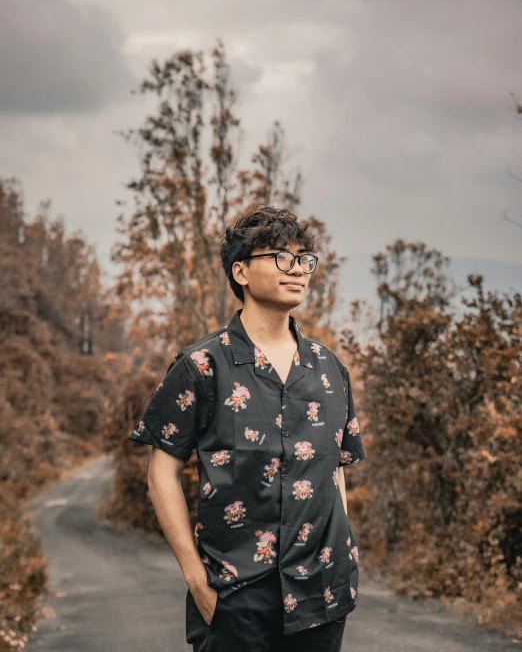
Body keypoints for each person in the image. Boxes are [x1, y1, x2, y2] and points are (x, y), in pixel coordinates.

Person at [128, 206, 366, 651]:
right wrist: (197, 580)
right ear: (240, 271)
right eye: (281, 257)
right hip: (235, 595)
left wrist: (344, 554)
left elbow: (336, 471)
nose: (297, 269)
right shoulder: (201, 366)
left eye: (304, 259)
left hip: (323, 592)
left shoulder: (330, 370)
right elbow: (161, 474)